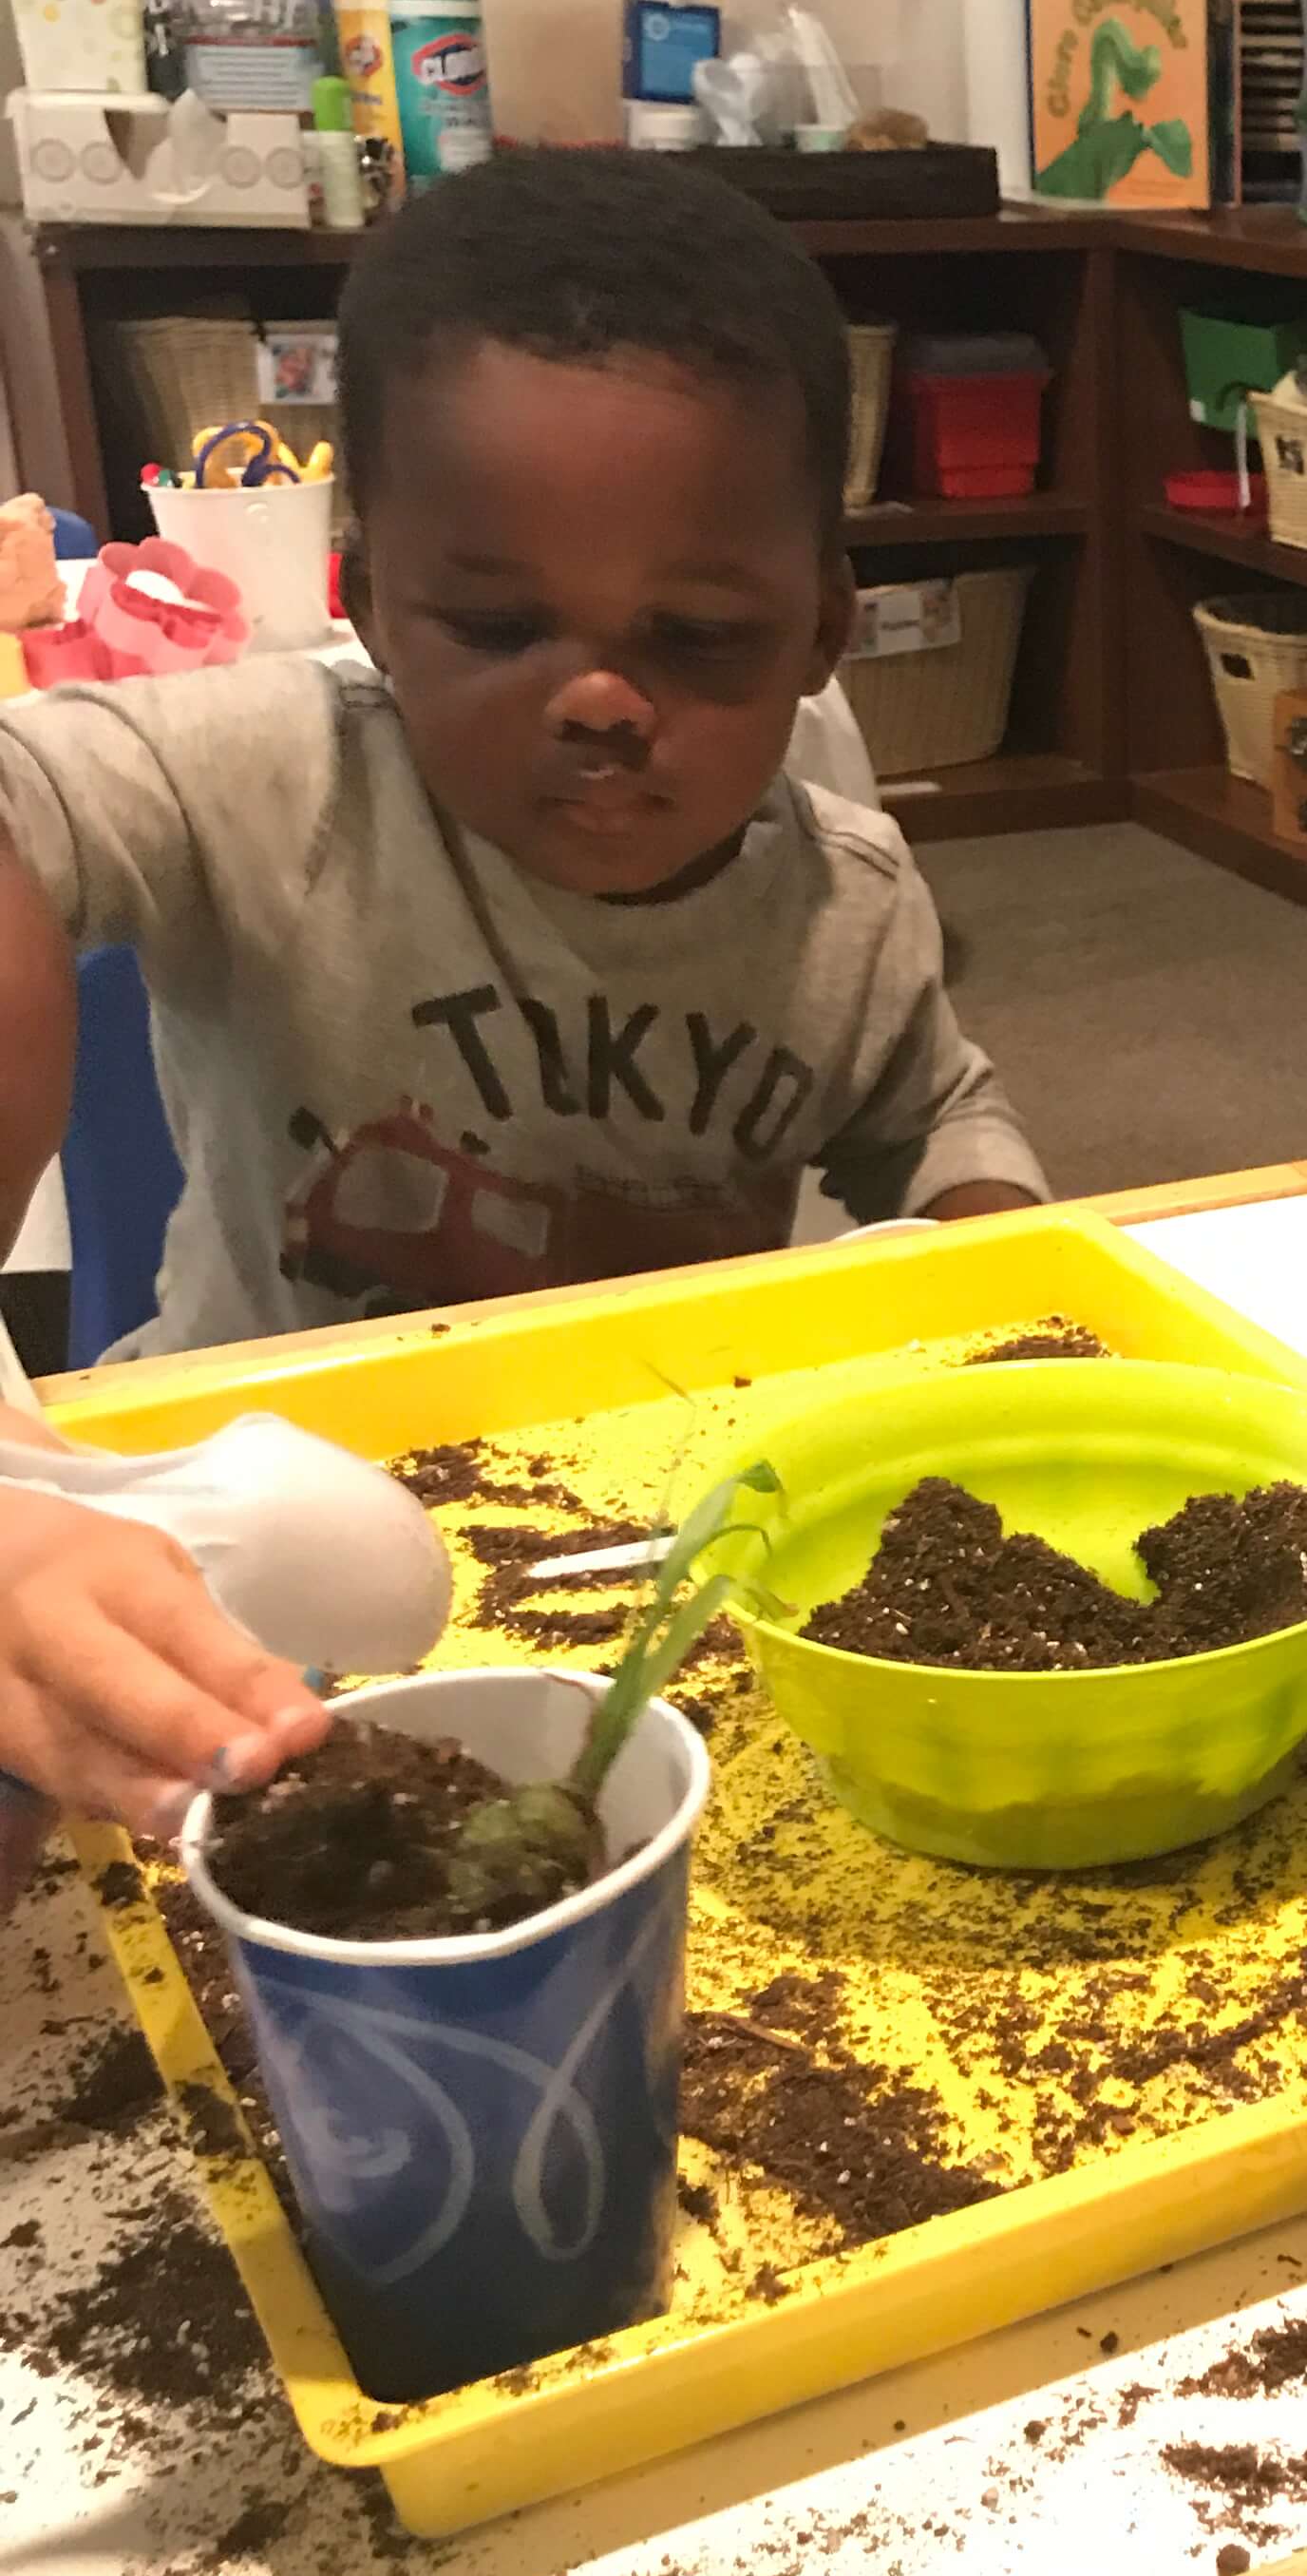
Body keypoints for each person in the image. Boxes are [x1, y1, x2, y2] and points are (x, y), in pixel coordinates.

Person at [0, 144, 1046, 1855]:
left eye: (701, 637)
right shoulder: (264, 782)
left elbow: (937, 1123)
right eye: (496, 625)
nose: (604, 701)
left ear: (825, 634)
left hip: (657, 1555)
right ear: (363, 602)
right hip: (238, 1547)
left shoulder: (847, 902)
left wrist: (988, 1248)